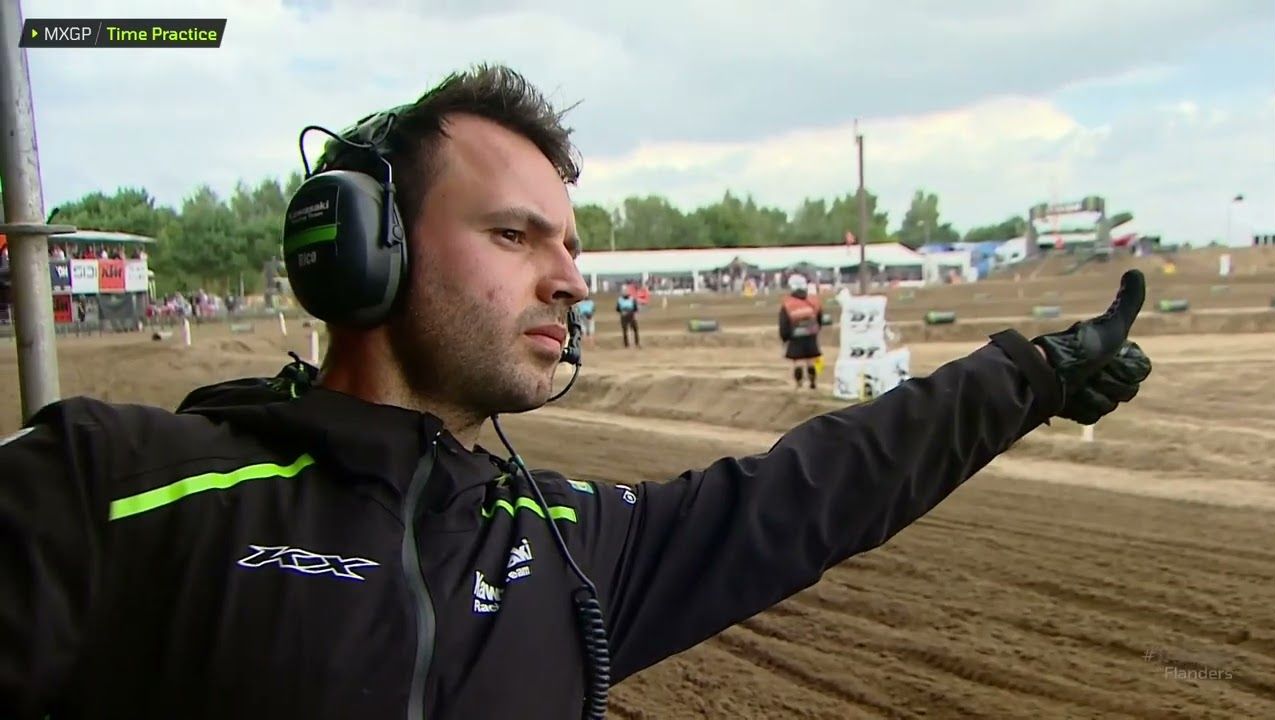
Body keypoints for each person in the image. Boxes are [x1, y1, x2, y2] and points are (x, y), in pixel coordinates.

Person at [0, 64, 1152, 720]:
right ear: (361, 249)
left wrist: (1026, 378)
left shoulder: (567, 541)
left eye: (569, 244)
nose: (568, 279)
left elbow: (815, 490)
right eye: (514, 235)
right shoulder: (114, 484)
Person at [778, 272, 824, 389]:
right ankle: (813, 383)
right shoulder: (813, 301)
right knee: (811, 360)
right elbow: (819, 317)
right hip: (811, 333)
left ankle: (799, 384)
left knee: (797, 361)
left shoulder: (787, 304)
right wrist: (817, 329)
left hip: (795, 336)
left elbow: (784, 323)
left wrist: (785, 337)